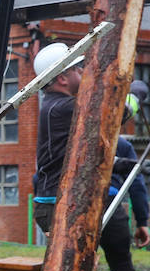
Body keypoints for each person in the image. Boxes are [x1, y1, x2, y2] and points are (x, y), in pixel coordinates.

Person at [30, 42, 137, 238]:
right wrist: (134, 98)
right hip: (58, 203)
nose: (82, 71)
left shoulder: (57, 106)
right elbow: (114, 116)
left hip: (60, 201)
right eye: (77, 69)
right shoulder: (65, 107)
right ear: (62, 78)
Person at [103, 88, 150, 271]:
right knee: (122, 268)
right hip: (110, 207)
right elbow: (136, 183)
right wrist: (142, 221)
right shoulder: (123, 145)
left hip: (76, 204)